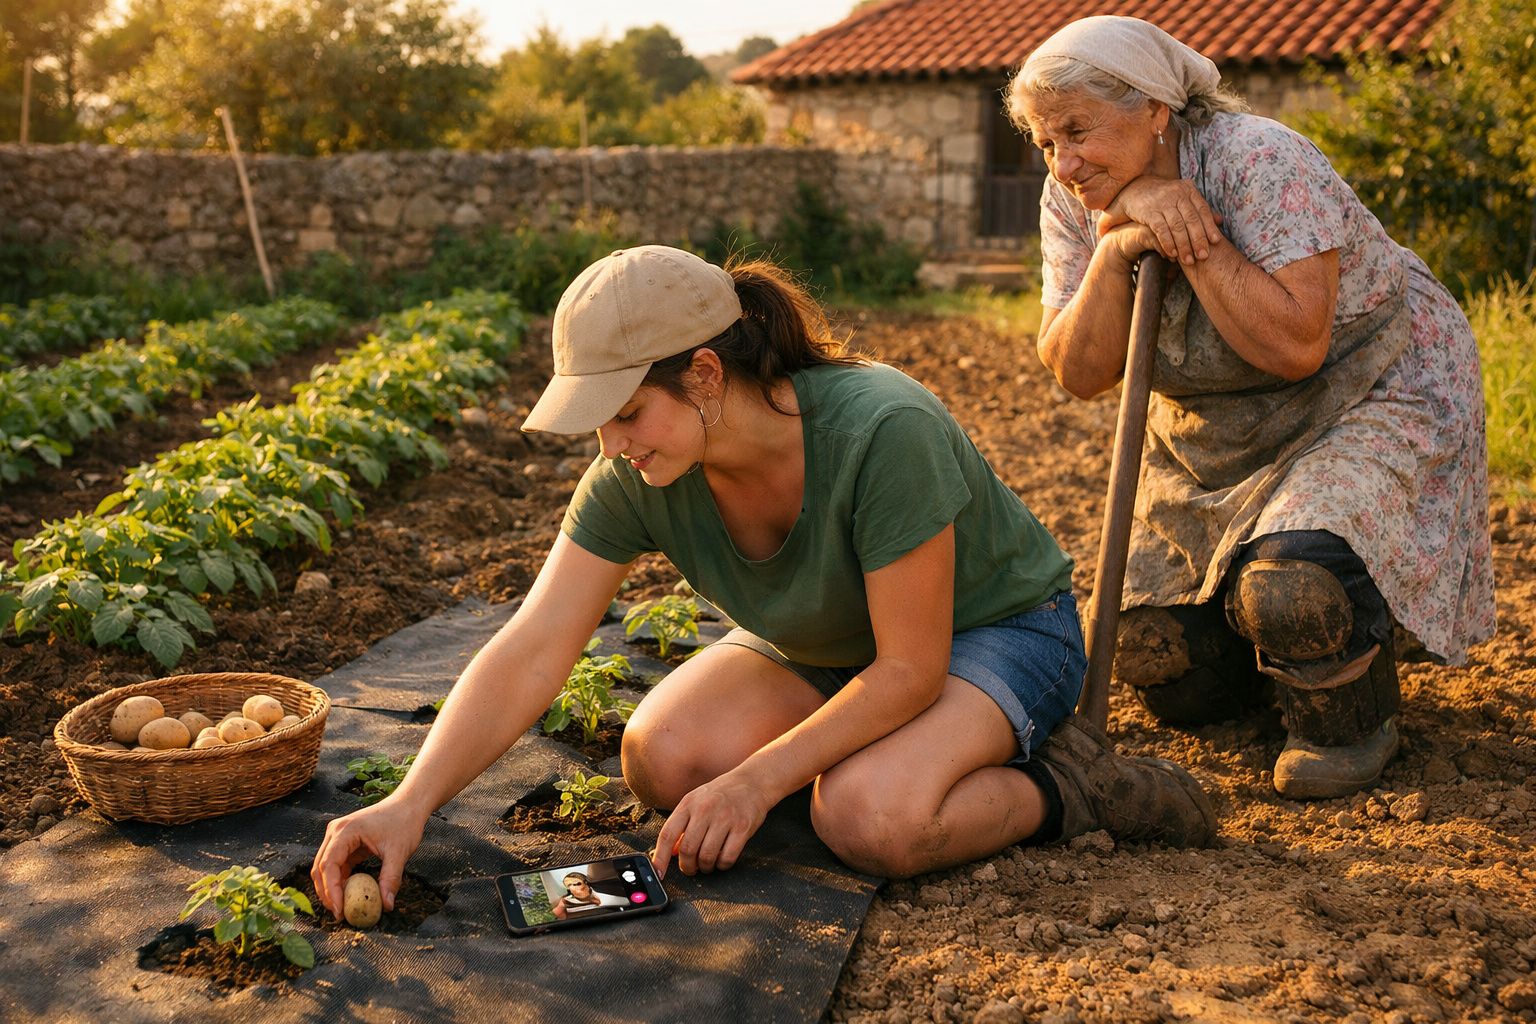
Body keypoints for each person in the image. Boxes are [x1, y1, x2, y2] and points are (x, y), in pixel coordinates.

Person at [311, 244, 1216, 919]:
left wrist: (753, 783)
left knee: (871, 822)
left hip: (993, 633)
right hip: (826, 645)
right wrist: (409, 802)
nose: (612, 446)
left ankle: (1073, 787)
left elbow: (909, 668)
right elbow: (538, 638)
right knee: (661, 757)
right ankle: (857, 764)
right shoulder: (636, 474)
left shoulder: (879, 428)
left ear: (705, 375)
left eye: (627, 413)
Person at [1005, 16, 1495, 799]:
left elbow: (1295, 347)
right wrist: (1116, 245)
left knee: (1295, 589)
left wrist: (1188, 233)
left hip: (1358, 392)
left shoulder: (1260, 159)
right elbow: (1077, 371)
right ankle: (1278, 653)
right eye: (1043, 140)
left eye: (1077, 131)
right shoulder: (1074, 196)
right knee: (1156, 654)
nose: (1062, 162)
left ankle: (1350, 719)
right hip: (1214, 429)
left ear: (1156, 111)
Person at [550, 872, 627, 919]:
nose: (573, 888)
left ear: (586, 882)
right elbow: (559, 916)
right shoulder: (566, 901)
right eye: (569, 885)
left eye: (577, 883)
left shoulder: (603, 888)